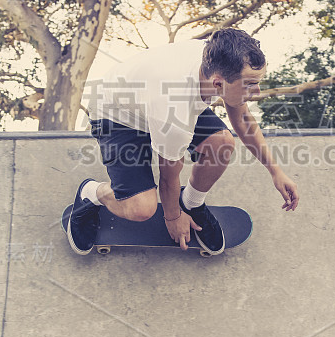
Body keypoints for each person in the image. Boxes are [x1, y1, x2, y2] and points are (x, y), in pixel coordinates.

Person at [61, 28, 299, 256]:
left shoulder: (219, 57)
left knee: (222, 143)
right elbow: (168, 178)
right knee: (141, 209)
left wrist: (275, 171)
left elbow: (243, 119)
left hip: (150, 101)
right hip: (115, 115)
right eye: (249, 84)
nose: (257, 91)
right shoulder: (174, 112)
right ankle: (90, 193)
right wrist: (172, 217)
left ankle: (192, 203)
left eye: (258, 81)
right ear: (218, 83)